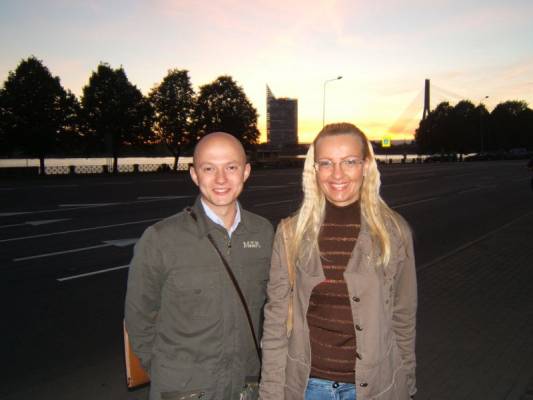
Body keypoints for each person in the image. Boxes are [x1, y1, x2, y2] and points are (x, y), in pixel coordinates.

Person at [259, 123, 417, 400]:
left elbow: (403, 317)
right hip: (308, 388)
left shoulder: (394, 232)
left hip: (376, 387)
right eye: (326, 163)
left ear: (366, 166)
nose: (337, 174)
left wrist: (408, 384)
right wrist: (270, 393)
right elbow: (275, 323)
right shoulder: (290, 234)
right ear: (315, 170)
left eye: (349, 162)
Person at [125, 132, 274, 400]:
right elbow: (138, 317)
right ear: (194, 174)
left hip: (245, 386)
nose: (221, 179)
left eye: (231, 167)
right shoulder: (160, 238)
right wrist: (165, 372)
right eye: (209, 168)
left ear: (246, 172)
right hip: (183, 390)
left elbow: (274, 307)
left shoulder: (263, 232)